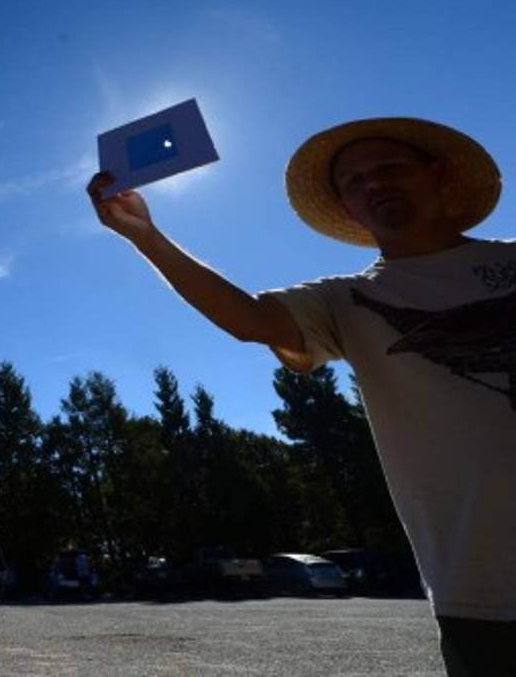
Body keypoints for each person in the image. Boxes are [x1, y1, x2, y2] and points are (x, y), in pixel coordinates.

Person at [88, 117, 513, 676]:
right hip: (485, 593)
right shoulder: (347, 300)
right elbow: (250, 319)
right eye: (354, 181)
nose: (374, 183)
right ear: (347, 207)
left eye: (390, 167)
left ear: (437, 174)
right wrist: (146, 236)